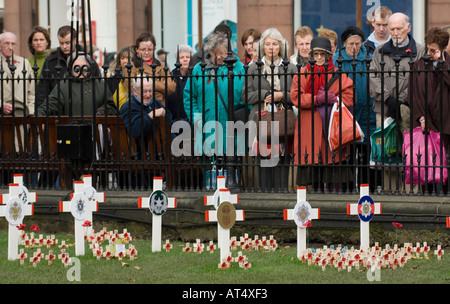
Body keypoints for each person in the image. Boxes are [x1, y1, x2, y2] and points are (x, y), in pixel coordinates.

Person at [369, 12, 425, 193]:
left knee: (411, 154)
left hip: (410, 110)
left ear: (408, 28)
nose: (395, 32)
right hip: (384, 110)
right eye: (392, 29)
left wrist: (400, 102)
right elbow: (373, 78)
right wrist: (388, 99)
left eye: (398, 28)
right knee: (387, 155)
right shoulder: (380, 51)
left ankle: (412, 194)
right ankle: (389, 194)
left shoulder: (420, 50)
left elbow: (420, 80)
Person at [290, 37, 354, 192]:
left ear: (328, 56)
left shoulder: (338, 74)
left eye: (322, 54)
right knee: (312, 169)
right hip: (309, 127)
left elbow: (350, 97)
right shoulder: (302, 73)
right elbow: (295, 97)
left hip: (331, 126)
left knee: (333, 169)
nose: (319, 58)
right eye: (316, 54)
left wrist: (335, 99)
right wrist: (315, 99)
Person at [183, 32, 246, 187]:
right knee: (209, 176)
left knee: (233, 178)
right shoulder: (199, 69)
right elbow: (189, 97)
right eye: (215, 54)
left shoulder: (239, 68)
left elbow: (247, 98)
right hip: (206, 129)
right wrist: (196, 118)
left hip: (233, 130)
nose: (219, 57)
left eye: (222, 53)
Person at [242, 28, 297, 191]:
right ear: (262, 47)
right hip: (261, 121)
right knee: (263, 163)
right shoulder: (253, 69)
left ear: (280, 46)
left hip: (284, 122)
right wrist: (263, 93)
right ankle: (264, 197)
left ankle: (282, 197)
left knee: (282, 161)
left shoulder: (291, 68)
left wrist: (281, 95)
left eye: (274, 44)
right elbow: (245, 96)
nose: (271, 47)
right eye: (267, 44)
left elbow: (297, 97)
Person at [335, 26, 376, 188]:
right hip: (346, 113)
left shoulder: (370, 58)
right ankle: (347, 190)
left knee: (367, 155)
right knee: (348, 154)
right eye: (351, 43)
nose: (354, 47)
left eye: (358, 43)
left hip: (368, 113)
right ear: (344, 43)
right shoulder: (336, 59)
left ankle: (367, 190)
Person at [410, 27, 450, 192]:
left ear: (442, 49)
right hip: (426, 123)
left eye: (433, 49)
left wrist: (441, 65)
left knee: (446, 162)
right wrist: (421, 117)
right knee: (426, 162)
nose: (429, 52)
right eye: (428, 48)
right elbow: (413, 94)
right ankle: (427, 194)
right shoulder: (419, 65)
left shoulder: (448, 64)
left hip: (446, 121)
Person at [36, 26, 99, 108]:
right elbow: (42, 90)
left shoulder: (88, 60)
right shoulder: (51, 62)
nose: (64, 46)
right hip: (57, 108)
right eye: (61, 43)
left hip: (84, 106)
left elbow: (97, 86)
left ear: (75, 40)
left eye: (67, 43)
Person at [37, 53, 117, 116]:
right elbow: (51, 104)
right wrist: (38, 115)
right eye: (76, 69)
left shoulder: (99, 84)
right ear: (71, 70)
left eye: (84, 68)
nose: (80, 72)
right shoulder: (64, 86)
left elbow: (111, 105)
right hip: (72, 131)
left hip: (96, 130)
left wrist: (103, 111)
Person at [122, 32, 176, 106]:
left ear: (154, 49)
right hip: (141, 107)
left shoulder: (162, 65)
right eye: (143, 49)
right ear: (137, 49)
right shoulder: (130, 66)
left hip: (160, 107)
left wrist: (148, 84)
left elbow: (171, 88)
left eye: (150, 49)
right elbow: (133, 90)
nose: (146, 53)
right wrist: (160, 86)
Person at [0, 32, 35, 117]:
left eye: (13, 44)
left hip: (22, 116)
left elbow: (32, 92)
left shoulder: (24, 63)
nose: (10, 47)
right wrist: (1, 105)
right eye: (6, 43)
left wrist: (29, 114)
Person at [167, 44, 194, 122]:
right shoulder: (171, 76)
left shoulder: (195, 75)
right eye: (182, 57)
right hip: (175, 119)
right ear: (177, 60)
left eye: (187, 57)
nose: (185, 60)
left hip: (192, 118)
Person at [106, 46, 135, 110]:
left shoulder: (139, 77)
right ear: (119, 61)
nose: (125, 61)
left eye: (128, 58)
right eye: (122, 58)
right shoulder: (111, 81)